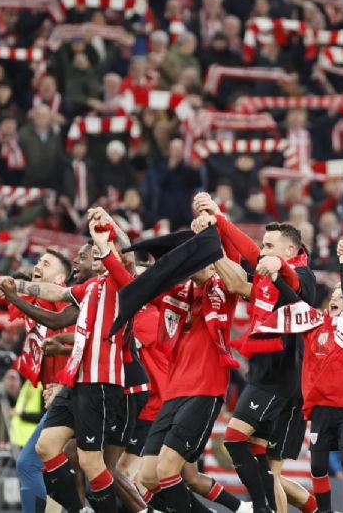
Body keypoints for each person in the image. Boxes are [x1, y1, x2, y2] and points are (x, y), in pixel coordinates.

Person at [194, 192, 318, 513]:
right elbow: (246, 263)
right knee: (268, 464)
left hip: (280, 377)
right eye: (263, 245)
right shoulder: (267, 278)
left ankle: (260, 508)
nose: (262, 251)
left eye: (270, 246)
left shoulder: (304, 276)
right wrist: (219, 220)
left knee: (235, 439)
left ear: (290, 250)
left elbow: (250, 278)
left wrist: (214, 234)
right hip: (269, 373)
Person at [8, 214, 134, 513]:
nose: (78, 260)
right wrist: (21, 289)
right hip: (75, 382)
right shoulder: (87, 290)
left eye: (84, 255)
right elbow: (58, 298)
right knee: (44, 451)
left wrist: (107, 226)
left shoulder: (119, 283)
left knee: (93, 464)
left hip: (103, 381)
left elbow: (127, 255)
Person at [251, 240, 343, 513]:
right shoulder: (316, 323)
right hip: (319, 406)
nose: (334, 300)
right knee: (318, 466)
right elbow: (296, 303)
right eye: (331, 297)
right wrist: (275, 279)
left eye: (340, 299)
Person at [135, 213, 244, 513]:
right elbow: (146, 276)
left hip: (205, 389)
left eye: (204, 257)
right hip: (174, 393)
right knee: (147, 475)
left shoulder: (224, 291)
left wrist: (215, 221)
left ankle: (240, 508)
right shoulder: (180, 295)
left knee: (170, 471)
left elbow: (231, 258)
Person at [0, 249, 77, 513]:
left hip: (73, 394)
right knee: (56, 471)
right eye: (38, 261)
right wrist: (7, 285)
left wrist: (65, 384)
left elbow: (82, 343)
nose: (38, 265)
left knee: (31, 463)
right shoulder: (39, 301)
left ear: (60, 278)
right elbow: (18, 293)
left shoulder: (66, 301)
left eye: (46, 263)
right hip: (61, 398)